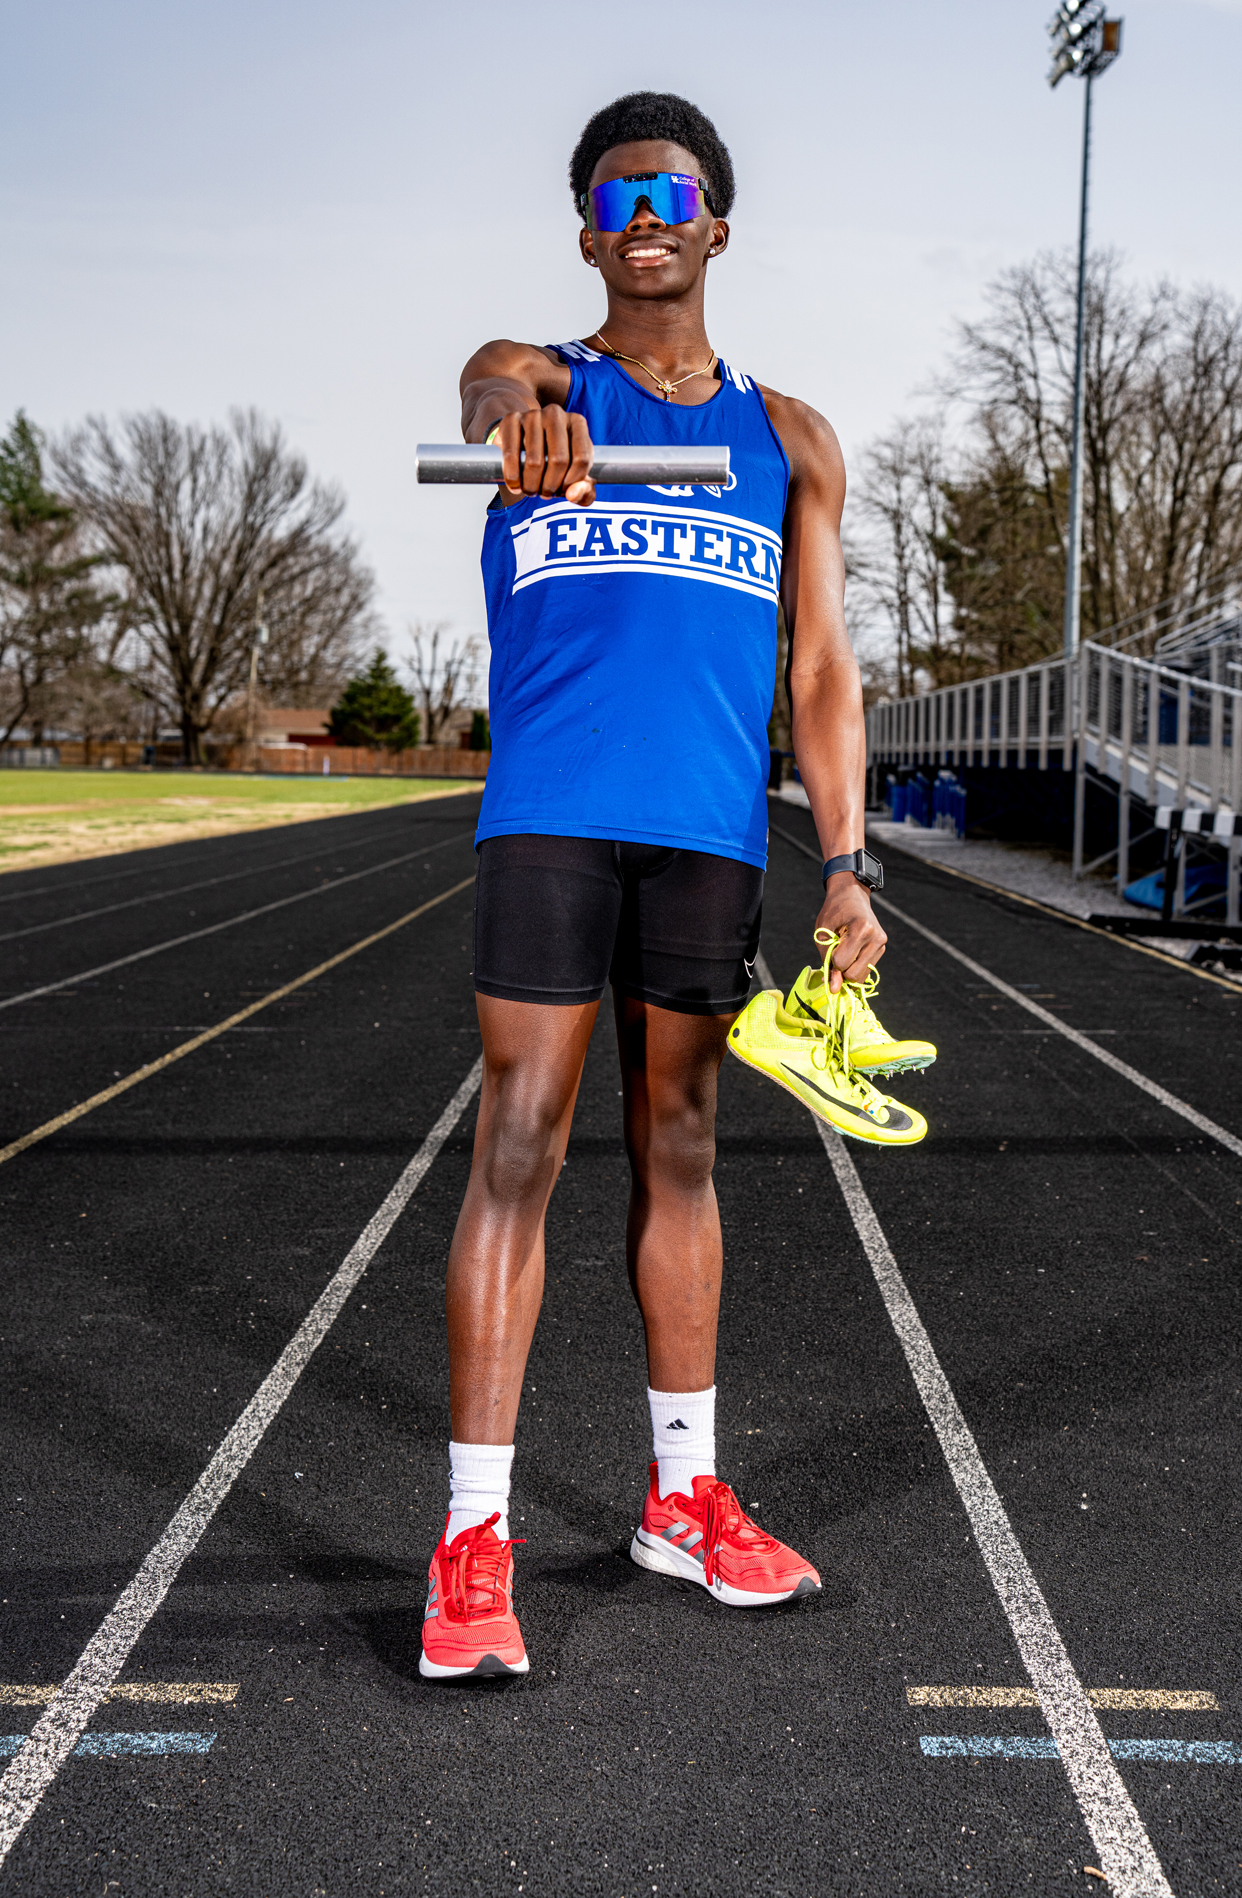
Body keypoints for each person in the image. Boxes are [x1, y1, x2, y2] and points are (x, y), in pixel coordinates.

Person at [421, 90, 895, 1680]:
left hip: (708, 832)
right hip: (552, 815)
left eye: (670, 195)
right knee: (519, 1140)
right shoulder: (545, 382)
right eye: (617, 198)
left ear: (714, 228)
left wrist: (846, 865)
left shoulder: (790, 437)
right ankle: (472, 1539)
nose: (644, 218)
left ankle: (680, 1501)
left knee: (680, 1145)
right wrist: (516, 417)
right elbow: (486, 377)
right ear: (587, 236)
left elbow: (818, 671)